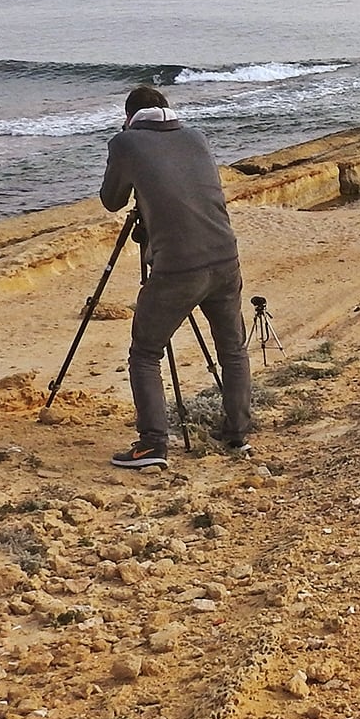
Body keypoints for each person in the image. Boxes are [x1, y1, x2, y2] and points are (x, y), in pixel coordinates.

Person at [99, 85, 254, 469]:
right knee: (232, 349)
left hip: (178, 267)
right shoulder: (196, 137)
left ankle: (152, 444)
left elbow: (112, 200)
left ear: (130, 117)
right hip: (225, 256)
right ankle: (237, 432)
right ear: (167, 111)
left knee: (145, 352)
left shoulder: (126, 142)